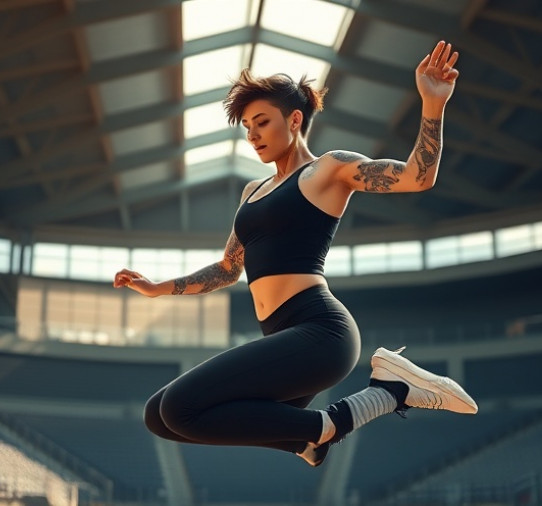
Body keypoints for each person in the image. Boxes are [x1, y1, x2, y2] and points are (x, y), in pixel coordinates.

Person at [114, 40, 477, 467]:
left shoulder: (328, 169)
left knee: (179, 407)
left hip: (320, 333)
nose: (252, 135)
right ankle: (314, 437)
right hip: (283, 340)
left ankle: (358, 409)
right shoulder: (253, 191)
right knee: (159, 417)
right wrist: (159, 288)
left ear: (295, 119)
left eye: (262, 122)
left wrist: (432, 103)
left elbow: (417, 177)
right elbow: (229, 270)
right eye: (247, 126)